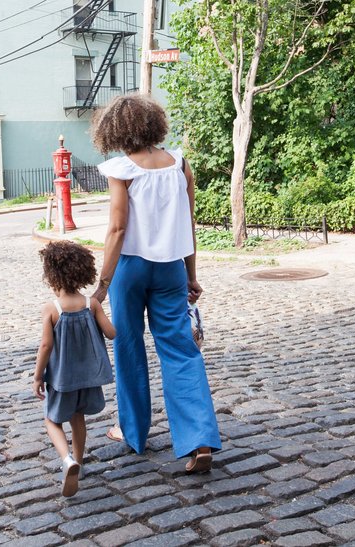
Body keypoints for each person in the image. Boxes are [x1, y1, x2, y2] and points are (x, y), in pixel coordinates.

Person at [91, 94, 222, 474]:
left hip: (131, 269)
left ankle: (133, 432)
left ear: (114, 130)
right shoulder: (179, 163)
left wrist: (102, 286)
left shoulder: (122, 169)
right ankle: (198, 439)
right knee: (181, 350)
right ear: (154, 125)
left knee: (129, 347)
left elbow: (117, 228)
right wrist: (191, 274)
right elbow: (188, 223)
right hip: (171, 269)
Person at [33, 240, 116, 497]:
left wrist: (38, 376)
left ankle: (67, 459)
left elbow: (46, 345)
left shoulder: (52, 309)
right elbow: (111, 333)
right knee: (77, 418)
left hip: (61, 379)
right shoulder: (92, 304)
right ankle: (79, 461)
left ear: (51, 276)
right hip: (88, 377)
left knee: (51, 419)